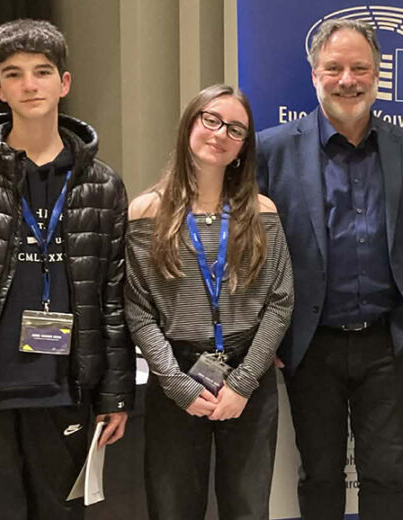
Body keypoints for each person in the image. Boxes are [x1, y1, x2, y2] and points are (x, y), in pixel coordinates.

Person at [256, 19, 403, 519]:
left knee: (386, 476)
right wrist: (271, 336)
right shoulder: (272, 149)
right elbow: (253, 251)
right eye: (334, 68)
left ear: (377, 75)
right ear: (314, 75)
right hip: (310, 344)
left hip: (387, 342)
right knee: (319, 475)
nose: (347, 80)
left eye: (360, 68)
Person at [0, 19, 134, 520]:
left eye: (42, 72)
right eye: (14, 74)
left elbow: (112, 297)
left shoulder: (102, 185)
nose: (29, 85)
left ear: (64, 82)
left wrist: (115, 394)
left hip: (65, 388)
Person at [125, 83, 293, 520]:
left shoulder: (262, 212)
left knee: (247, 508)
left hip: (247, 373)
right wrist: (177, 384)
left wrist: (243, 383)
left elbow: (280, 302)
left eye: (235, 129)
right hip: (176, 373)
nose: (221, 134)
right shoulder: (145, 212)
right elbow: (139, 310)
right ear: (189, 125)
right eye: (211, 120)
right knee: (173, 508)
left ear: (243, 147)